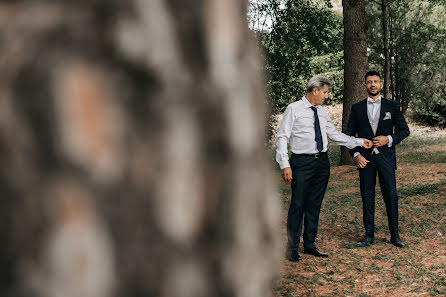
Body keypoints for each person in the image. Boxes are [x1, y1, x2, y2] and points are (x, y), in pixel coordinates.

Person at [276, 75, 373, 262]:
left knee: (314, 204)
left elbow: (334, 135)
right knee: (298, 205)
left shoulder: (321, 112)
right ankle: (292, 248)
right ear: (315, 90)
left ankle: (310, 245)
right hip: (301, 163)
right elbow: (282, 137)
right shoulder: (293, 109)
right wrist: (285, 164)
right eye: (325, 92)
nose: (326, 96)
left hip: (322, 163)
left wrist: (359, 141)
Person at [345, 70, 410, 248]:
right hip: (365, 160)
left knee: (391, 196)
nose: (373, 84)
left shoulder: (392, 106)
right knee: (367, 195)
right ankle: (368, 235)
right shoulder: (357, 108)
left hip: (386, 159)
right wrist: (356, 155)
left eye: (376, 81)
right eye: (369, 82)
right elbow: (349, 135)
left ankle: (395, 235)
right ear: (364, 85)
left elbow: (405, 130)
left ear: (381, 84)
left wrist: (388, 139)